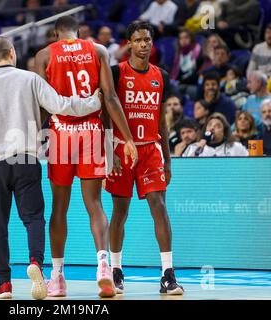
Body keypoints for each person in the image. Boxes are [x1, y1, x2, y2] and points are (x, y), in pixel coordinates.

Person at [0, 36, 102, 300]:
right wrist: (94, 102)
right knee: (33, 218)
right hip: (25, 158)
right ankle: (36, 264)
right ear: (12, 53)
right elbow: (60, 106)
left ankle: (4, 285)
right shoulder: (30, 79)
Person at [35, 15, 137, 298]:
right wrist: (127, 138)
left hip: (60, 133)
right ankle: (103, 265)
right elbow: (111, 99)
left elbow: (42, 106)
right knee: (94, 204)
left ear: (56, 35)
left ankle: (57, 277)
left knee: (59, 208)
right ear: (78, 33)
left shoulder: (44, 55)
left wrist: (29, 135)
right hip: (92, 131)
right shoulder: (98, 50)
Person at [105, 21, 184, 295]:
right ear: (128, 43)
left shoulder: (161, 75)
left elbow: (162, 120)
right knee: (120, 211)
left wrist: (168, 157)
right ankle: (115, 270)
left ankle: (167, 273)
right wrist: (107, 151)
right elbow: (106, 114)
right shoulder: (116, 73)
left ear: (152, 43)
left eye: (147, 40)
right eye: (138, 40)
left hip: (151, 149)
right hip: (121, 150)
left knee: (158, 205)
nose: (143, 44)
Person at [183, 113, 249, 157]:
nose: (212, 128)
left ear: (224, 132)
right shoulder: (192, 147)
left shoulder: (236, 147)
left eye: (217, 126)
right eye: (209, 125)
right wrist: (200, 146)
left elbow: (250, 164)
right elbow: (185, 169)